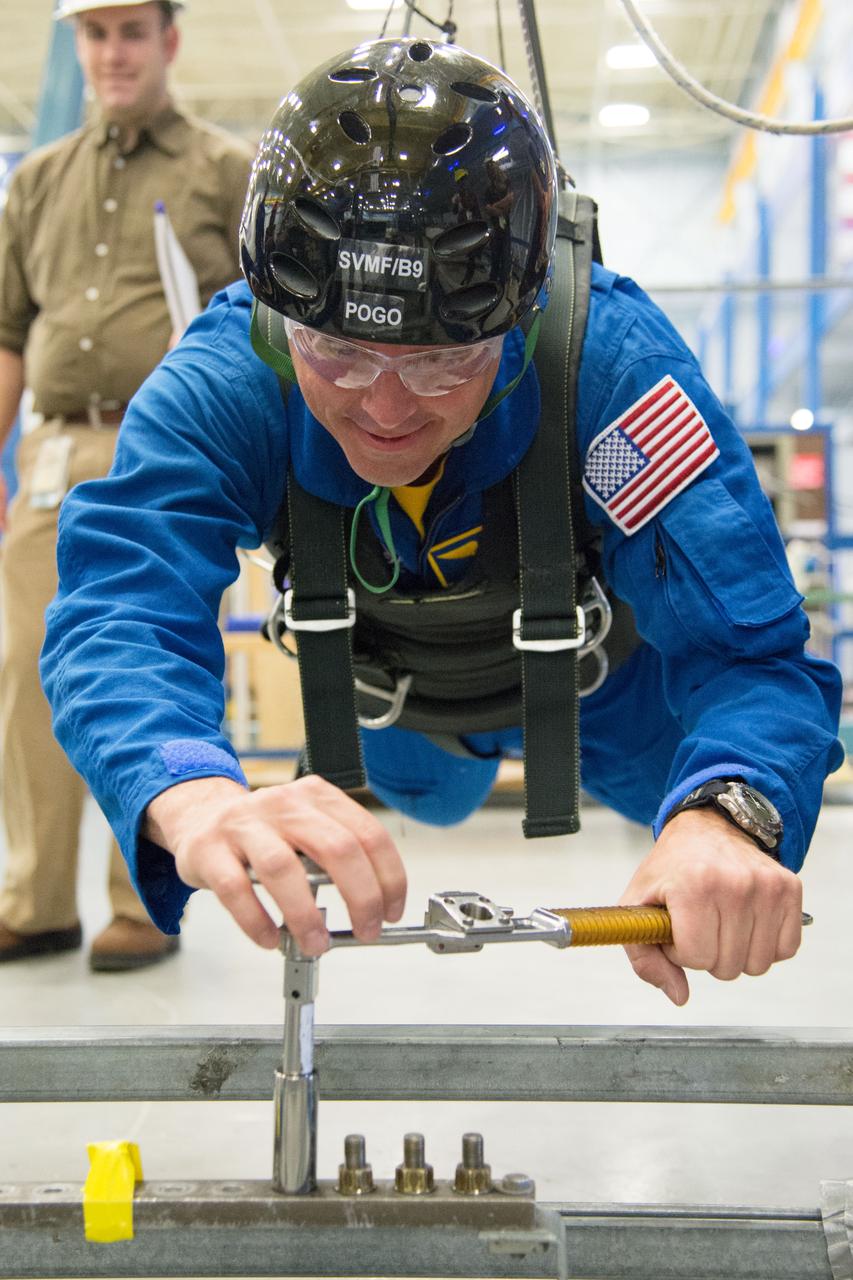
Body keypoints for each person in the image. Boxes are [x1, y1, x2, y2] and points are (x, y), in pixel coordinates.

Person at [41, 37, 843, 1005]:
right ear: (280, 312)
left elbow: (753, 653)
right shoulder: (230, 379)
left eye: (439, 361)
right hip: (390, 717)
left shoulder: (608, 377)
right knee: (423, 792)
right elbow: (120, 609)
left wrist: (729, 812)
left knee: (706, 813)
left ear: (519, 315)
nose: (384, 409)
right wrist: (189, 785)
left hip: (610, 701)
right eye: (337, 353)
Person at [0, 0, 254, 969]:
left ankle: (142, 899)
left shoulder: (224, 172)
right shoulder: (37, 181)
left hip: (171, 459)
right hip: (54, 452)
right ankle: (34, 898)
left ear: (167, 40)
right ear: (79, 45)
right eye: (95, 34)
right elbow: (8, 335)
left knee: (159, 662)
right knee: (28, 672)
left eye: (131, 32)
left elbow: (267, 330)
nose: (113, 52)